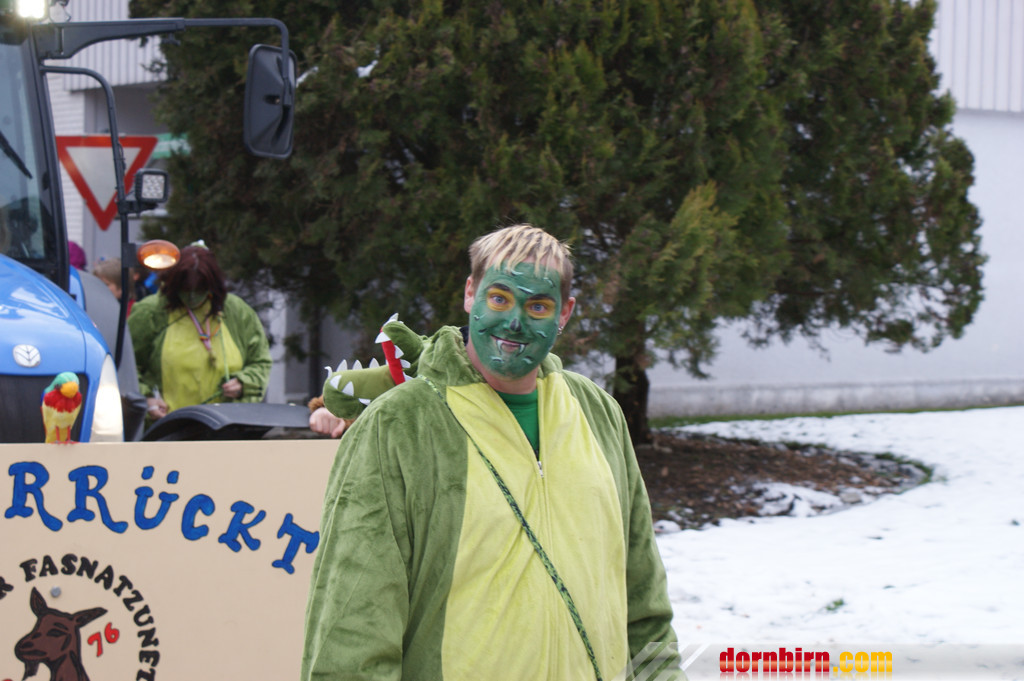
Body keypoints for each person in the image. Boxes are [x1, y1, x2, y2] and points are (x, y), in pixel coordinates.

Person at [302, 224, 680, 680]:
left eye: (538, 306)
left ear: (564, 313)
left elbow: (644, 603)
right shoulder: (397, 426)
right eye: (500, 298)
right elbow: (351, 627)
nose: (515, 322)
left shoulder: (598, 414)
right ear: (470, 293)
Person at [128, 243, 271, 420]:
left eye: (199, 290)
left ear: (212, 285)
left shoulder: (236, 310)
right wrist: (146, 399)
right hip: (168, 428)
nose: (192, 297)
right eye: (185, 290)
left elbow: (260, 361)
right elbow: (126, 367)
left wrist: (244, 383)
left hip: (228, 427)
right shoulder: (149, 312)